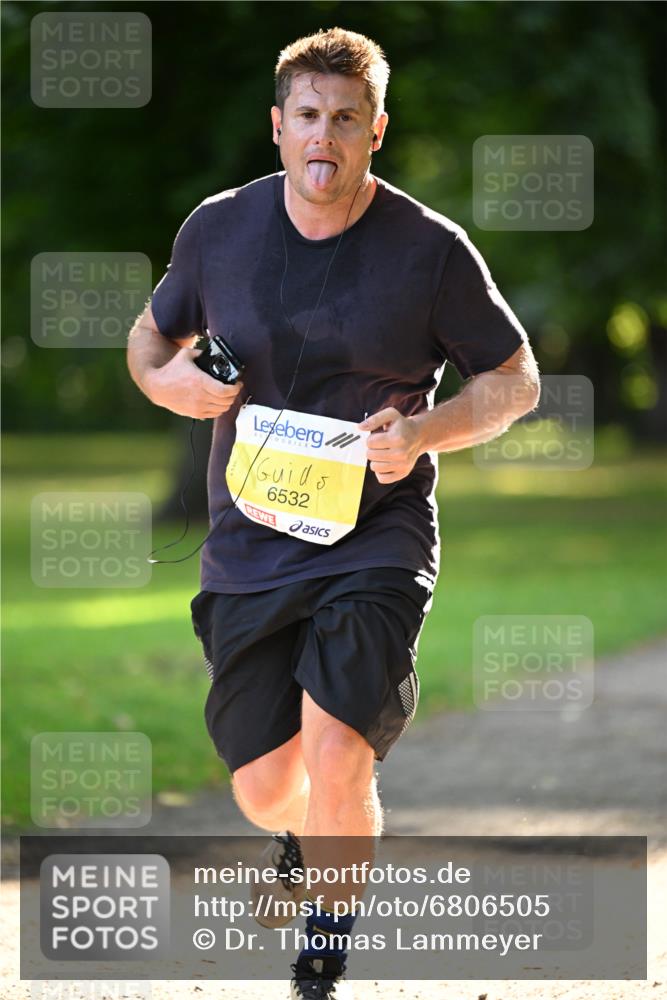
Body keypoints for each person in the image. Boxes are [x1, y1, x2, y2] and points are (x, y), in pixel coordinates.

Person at [126, 26, 540, 1000]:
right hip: (247, 548)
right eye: (307, 115)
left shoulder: (429, 251)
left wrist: (425, 430)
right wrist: (168, 380)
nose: (326, 135)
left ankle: (323, 938)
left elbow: (515, 380)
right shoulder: (216, 231)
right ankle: (298, 827)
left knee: (337, 744)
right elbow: (152, 340)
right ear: (277, 127)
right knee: (266, 784)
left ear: (376, 130)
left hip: (376, 538)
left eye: (346, 118)